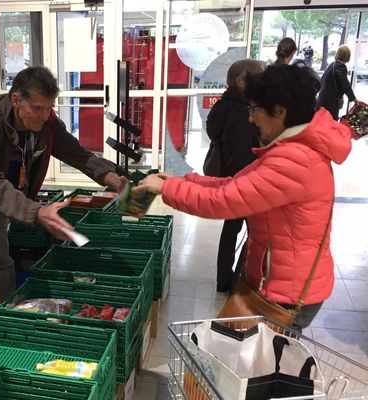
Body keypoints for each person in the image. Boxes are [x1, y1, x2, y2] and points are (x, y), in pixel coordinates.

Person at [134, 64, 352, 331]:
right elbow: (235, 184)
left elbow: (223, 202)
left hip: (286, 293)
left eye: (255, 109)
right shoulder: (291, 148)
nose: (251, 119)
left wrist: (166, 190)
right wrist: (180, 181)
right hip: (280, 281)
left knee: (264, 367)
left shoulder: (295, 160)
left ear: (280, 111)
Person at [0, 65, 127, 320]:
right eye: (37, 108)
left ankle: (14, 318)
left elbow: (75, 152)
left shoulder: (45, 122)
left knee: (2, 262)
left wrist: (111, 177)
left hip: (4, 204)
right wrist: (37, 212)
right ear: (16, 100)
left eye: (49, 108)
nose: (44, 115)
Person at [205, 59, 265, 292]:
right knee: (255, 232)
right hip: (245, 179)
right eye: (256, 78)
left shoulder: (225, 104)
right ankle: (246, 282)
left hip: (232, 176)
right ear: (239, 80)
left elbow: (216, 133)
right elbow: (244, 152)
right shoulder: (241, 109)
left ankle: (224, 279)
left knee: (232, 229)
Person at [316, 45, 357, 120]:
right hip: (331, 101)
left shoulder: (332, 64)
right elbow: (345, 84)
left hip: (323, 99)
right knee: (331, 123)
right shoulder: (340, 66)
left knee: (323, 122)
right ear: (347, 56)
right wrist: (354, 99)